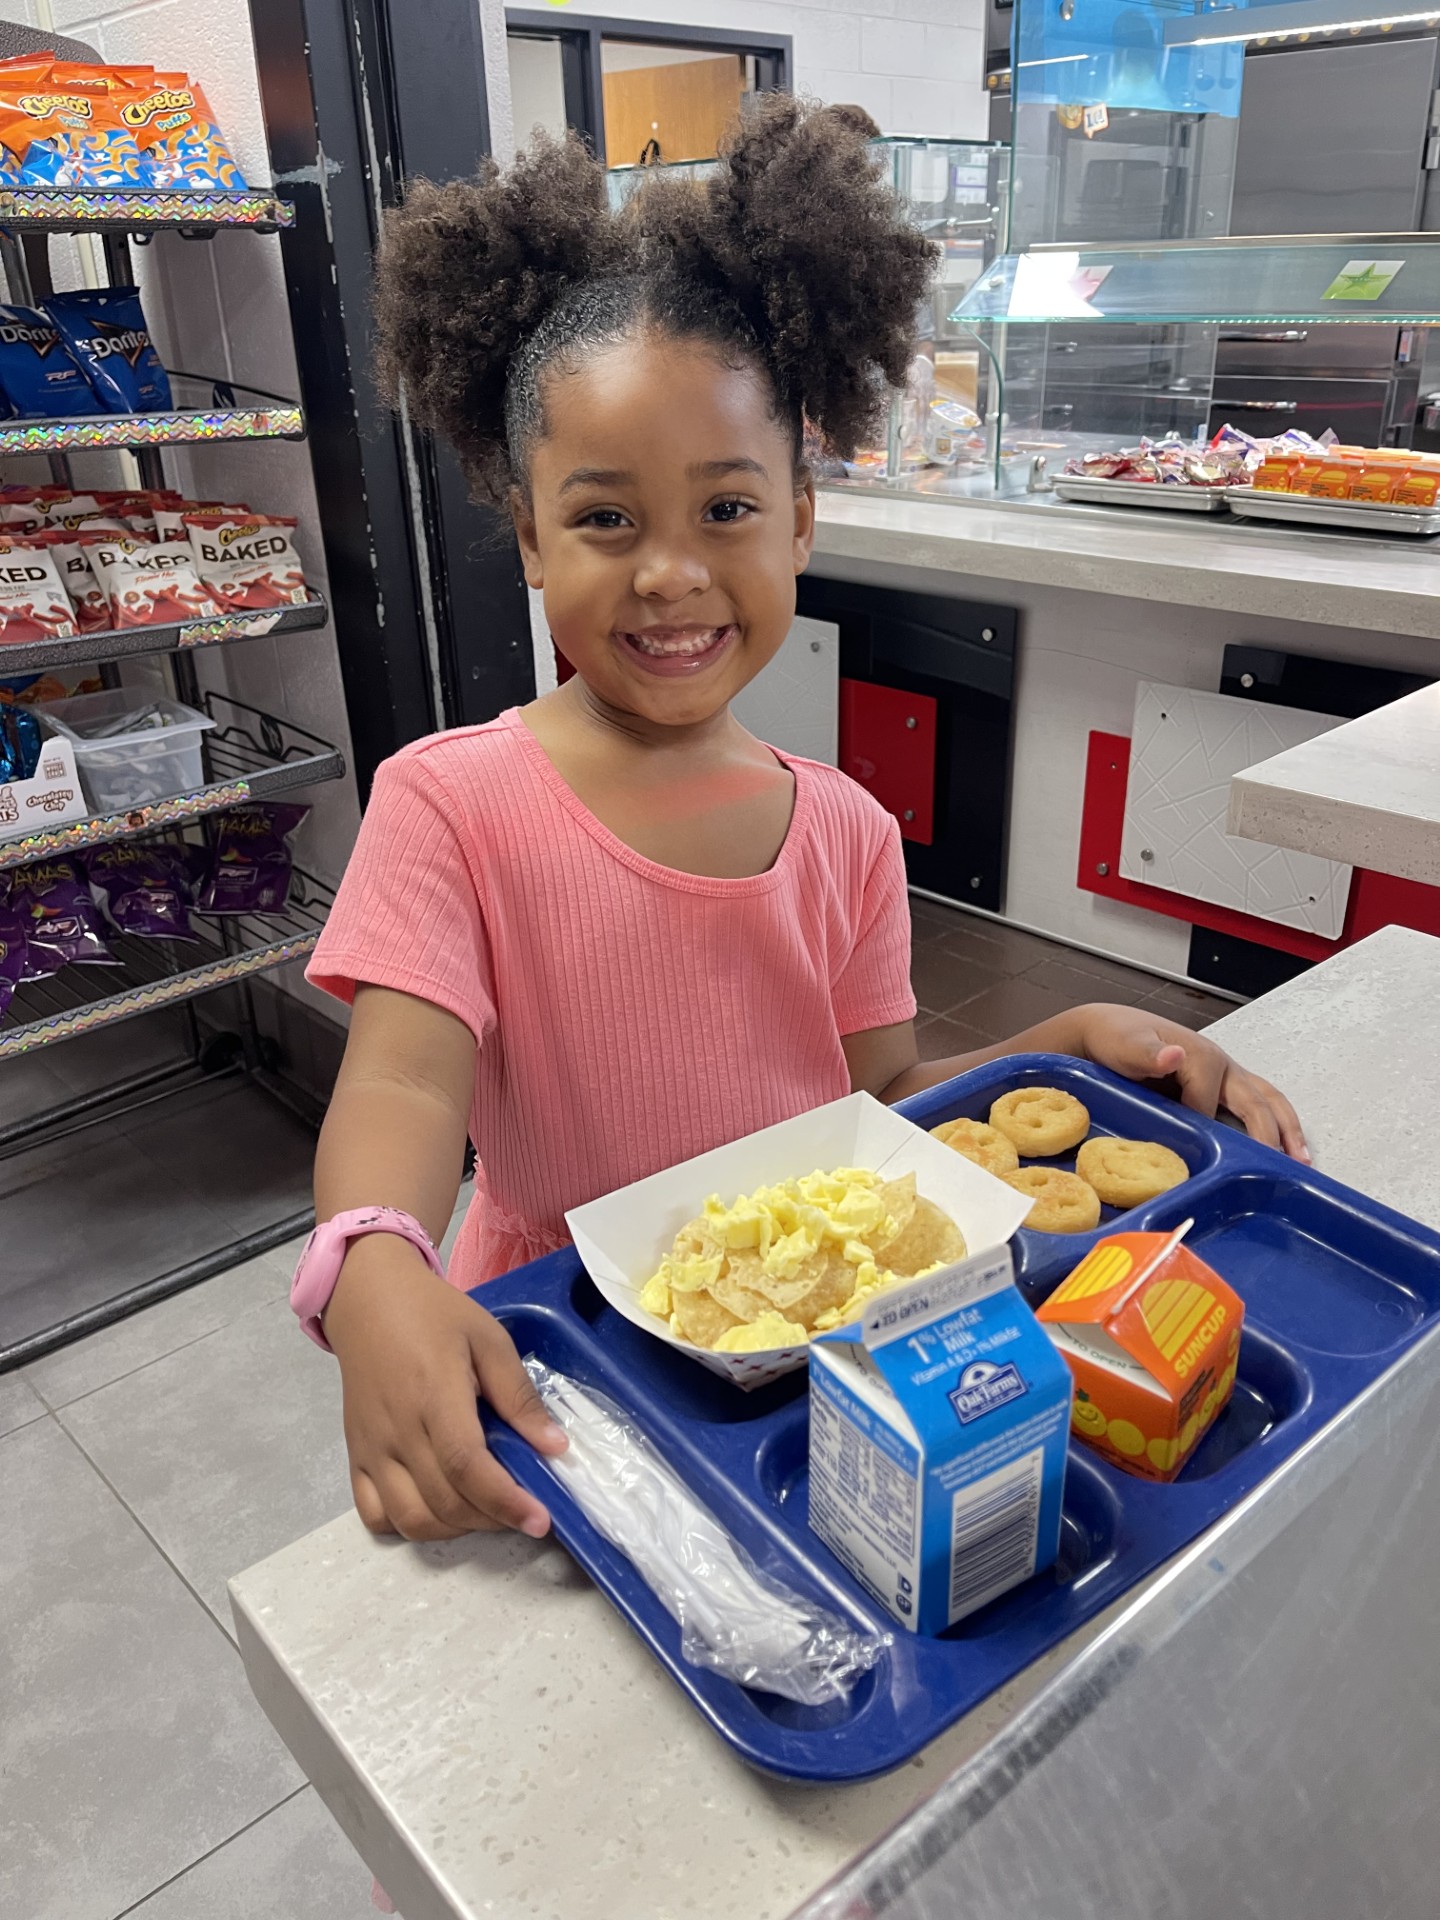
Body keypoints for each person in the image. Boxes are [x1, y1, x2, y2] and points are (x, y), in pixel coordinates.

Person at [298, 97, 1305, 1548]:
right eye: (602, 520)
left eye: (724, 509)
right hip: (566, 1339)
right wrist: (379, 1257)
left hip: (828, 1335)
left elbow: (881, 1105)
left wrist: (1069, 1033)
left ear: (801, 519)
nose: (668, 575)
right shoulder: (453, 804)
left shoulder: (843, 830)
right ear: (524, 531)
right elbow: (400, 1090)